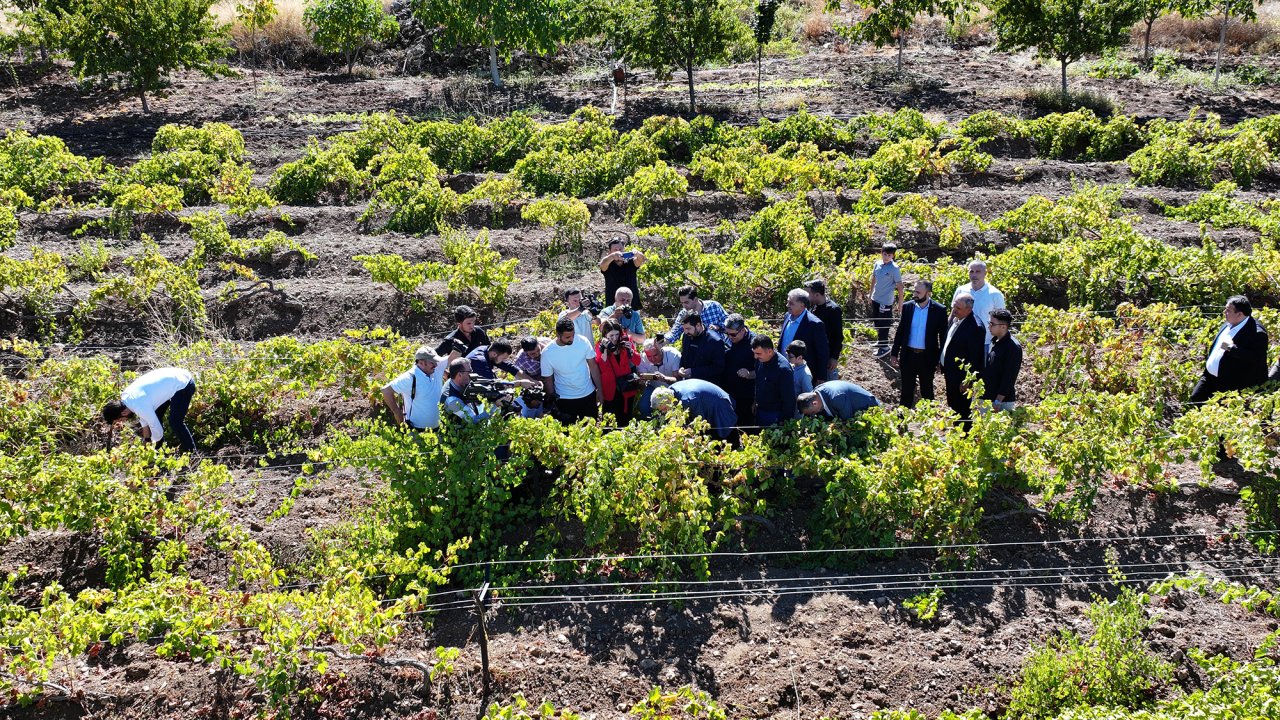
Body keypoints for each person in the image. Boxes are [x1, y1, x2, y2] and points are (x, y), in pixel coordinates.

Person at [1190, 295, 1270, 403]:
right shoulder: (1229, 323)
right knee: (1196, 398)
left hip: (1230, 383)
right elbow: (1220, 345)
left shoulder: (1257, 333)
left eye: (1228, 310)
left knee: (1219, 412)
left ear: (1239, 314)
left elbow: (1256, 359)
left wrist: (1232, 349)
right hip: (1210, 377)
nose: (1224, 312)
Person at [102, 367, 197, 452]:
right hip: (175, 375)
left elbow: (157, 430)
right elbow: (144, 414)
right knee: (156, 415)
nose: (123, 422)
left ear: (123, 412)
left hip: (184, 384)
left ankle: (191, 451)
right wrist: (147, 438)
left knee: (175, 422)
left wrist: (151, 445)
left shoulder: (139, 406)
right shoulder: (126, 397)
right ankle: (160, 449)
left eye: (120, 420)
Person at [890, 280, 948, 408]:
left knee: (927, 391)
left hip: (927, 357)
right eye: (914, 291)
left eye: (918, 292)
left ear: (928, 293)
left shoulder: (939, 310)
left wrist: (941, 359)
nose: (914, 294)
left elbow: (943, 337)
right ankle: (901, 423)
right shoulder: (908, 307)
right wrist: (894, 353)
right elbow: (900, 331)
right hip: (908, 355)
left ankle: (929, 423)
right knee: (906, 391)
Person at [382, 345, 460, 430]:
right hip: (417, 431)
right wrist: (397, 412)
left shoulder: (435, 368)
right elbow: (386, 391)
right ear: (421, 362)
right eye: (432, 362)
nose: (436, 364)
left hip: (438, 428)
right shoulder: (410, 378)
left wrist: (458, 348)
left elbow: (451, 359)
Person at [541, 317, 604, 423]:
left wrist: (600, 390)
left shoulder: (583, 341)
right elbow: (548, 379)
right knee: (569, 433)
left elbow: (593, 366)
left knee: (591, 430)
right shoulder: (547, 353)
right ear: (557, 334)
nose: (572, 339)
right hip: (565, 398)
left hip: (588, 394)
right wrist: (552, 401)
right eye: (567, 337)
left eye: (573, 335)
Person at [940, 293, 986, 423]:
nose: (954, 310)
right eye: (954, 306)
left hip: (961, 378)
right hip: (950, 372)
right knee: (953, 404)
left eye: (958, 308)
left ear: (969, 309)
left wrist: (968, 380)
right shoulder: (956, 318)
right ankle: (956, 433)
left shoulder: (975, 327)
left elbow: (975, 357)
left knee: (962, 409)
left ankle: (964, 437)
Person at [651, 380, 737, 439]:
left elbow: (698, 423)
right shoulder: (670, 391)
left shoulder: (688, 399)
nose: (664, 412)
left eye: (665, 409)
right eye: (661, 410)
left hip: (718, 407)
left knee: (725, 438)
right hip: (705, 403)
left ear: (670, 401)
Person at [596, 318, 643, 424]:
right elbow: (602, 366)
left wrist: (630, 350)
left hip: (625, 385)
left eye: (617, 335)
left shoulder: (626, 340)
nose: (614, 338)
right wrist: (604, 350)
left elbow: (637, 361)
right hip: (611, 386)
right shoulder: (600, 345)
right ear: (605, 335)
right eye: (611, 336)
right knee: (610, 417)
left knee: (626, 416)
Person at [951, 260, 1006, 351]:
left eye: (978, 271)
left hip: (985, 343)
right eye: (971, 271)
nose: (974, 275)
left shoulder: (995, 294)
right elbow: (953, 313)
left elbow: (1001, 320)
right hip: (960, 340)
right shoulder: (961, 290)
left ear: (985, 273)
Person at [778, 288, 830, 383]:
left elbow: (822, 353)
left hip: (802, 375)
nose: (787, 305)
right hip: (784, 370)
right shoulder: (787, 316)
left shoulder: (814, 324)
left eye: (791, 303)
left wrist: (821, 377)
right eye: (788, 302)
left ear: (802, 305)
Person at [981, 308, 1022, 412]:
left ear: (1003, 327)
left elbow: (1009, 377)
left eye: (992, 324)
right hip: (988, 398)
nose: (989, 326)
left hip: (1001, 402)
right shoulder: (994, 341)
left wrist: (998, 401)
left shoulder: (1012, 347)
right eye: (989, 323)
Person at [441, 358, 504, 424]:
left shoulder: (452, 381)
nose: (472, 374)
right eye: (470, 371)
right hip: (460, 432)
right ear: (459, 375)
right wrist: (495, 406)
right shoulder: (452, 401)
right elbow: (474, 421)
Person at [721, 314, 757, 427]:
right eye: (727, 333)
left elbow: (765, 369)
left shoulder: (755, 343)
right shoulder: (728, 338)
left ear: (742, 330)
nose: (729, 337)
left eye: (733, 334)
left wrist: (749, 374)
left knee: (745, 425)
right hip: (728, 391)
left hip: (746, 395)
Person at [805, 278, 844, 381]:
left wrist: (834, 357)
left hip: (827, 358)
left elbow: (838, 336)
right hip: (815, 356)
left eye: (808, 293)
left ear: (817, 295)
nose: (806, 296)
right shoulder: (812, 307)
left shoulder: (833, 310)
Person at [752, 336, 796, 426]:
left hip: (775, 415)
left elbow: (789, 399)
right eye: (754, 353)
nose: (755, 356)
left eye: (758, 353)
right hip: (761, 410)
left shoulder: (783, 369)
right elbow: (758, 382)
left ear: (769, 351)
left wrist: (784, 419)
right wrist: (755, 400)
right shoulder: (760, 360)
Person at [870, 244, 905, 357]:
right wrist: (870, 295)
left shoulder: (894, 269)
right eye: (884, 254)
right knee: (877, 322)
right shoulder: (877, 264)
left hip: (885, 301)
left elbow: (900, 286)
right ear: (881, 253)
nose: (886, 257)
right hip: (876, 298)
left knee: (884, 323)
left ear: (893, 256)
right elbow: (873, 279)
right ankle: (881, 341)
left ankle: (884, 347)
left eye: (889, 255)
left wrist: (900, 303)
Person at [676, 311, 727, 384]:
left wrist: (693, 371)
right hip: (689, 382)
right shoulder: (686, 336)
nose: (686, 332)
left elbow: (718, 368)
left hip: (708, 384)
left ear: (698, 325)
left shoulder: (715, 341)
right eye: (684, 329)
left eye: (688, 328)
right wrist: (681, 367)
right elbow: (684, 355)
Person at [599, 236, 647, 310]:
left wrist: (637, 253)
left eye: (620, 249)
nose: (618, 252)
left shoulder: (631, 263)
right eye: (615, 250)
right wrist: (612, 256)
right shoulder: (608, 265)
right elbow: (602, 264)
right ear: (609, 252)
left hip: (632, 306)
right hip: (613, 307)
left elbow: (641, 259)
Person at [637, 338, 681, 417]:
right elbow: (642, 378)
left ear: (660, 350)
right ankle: (651, 423)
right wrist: (641, 381)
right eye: (649, 357)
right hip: (653, 386)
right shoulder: (642, 358)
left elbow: (678, 380)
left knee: (671, 410)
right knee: (643, 406)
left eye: (655, 355)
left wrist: (664, 379)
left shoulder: (674, 355)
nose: (653, 359)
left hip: (672, 387)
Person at [797, 381, 880, 420]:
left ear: (815, 403)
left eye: (812, 413)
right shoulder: (815, 393)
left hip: (871, 409)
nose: (812, 415)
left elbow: (848, 422)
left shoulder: (836, 398)